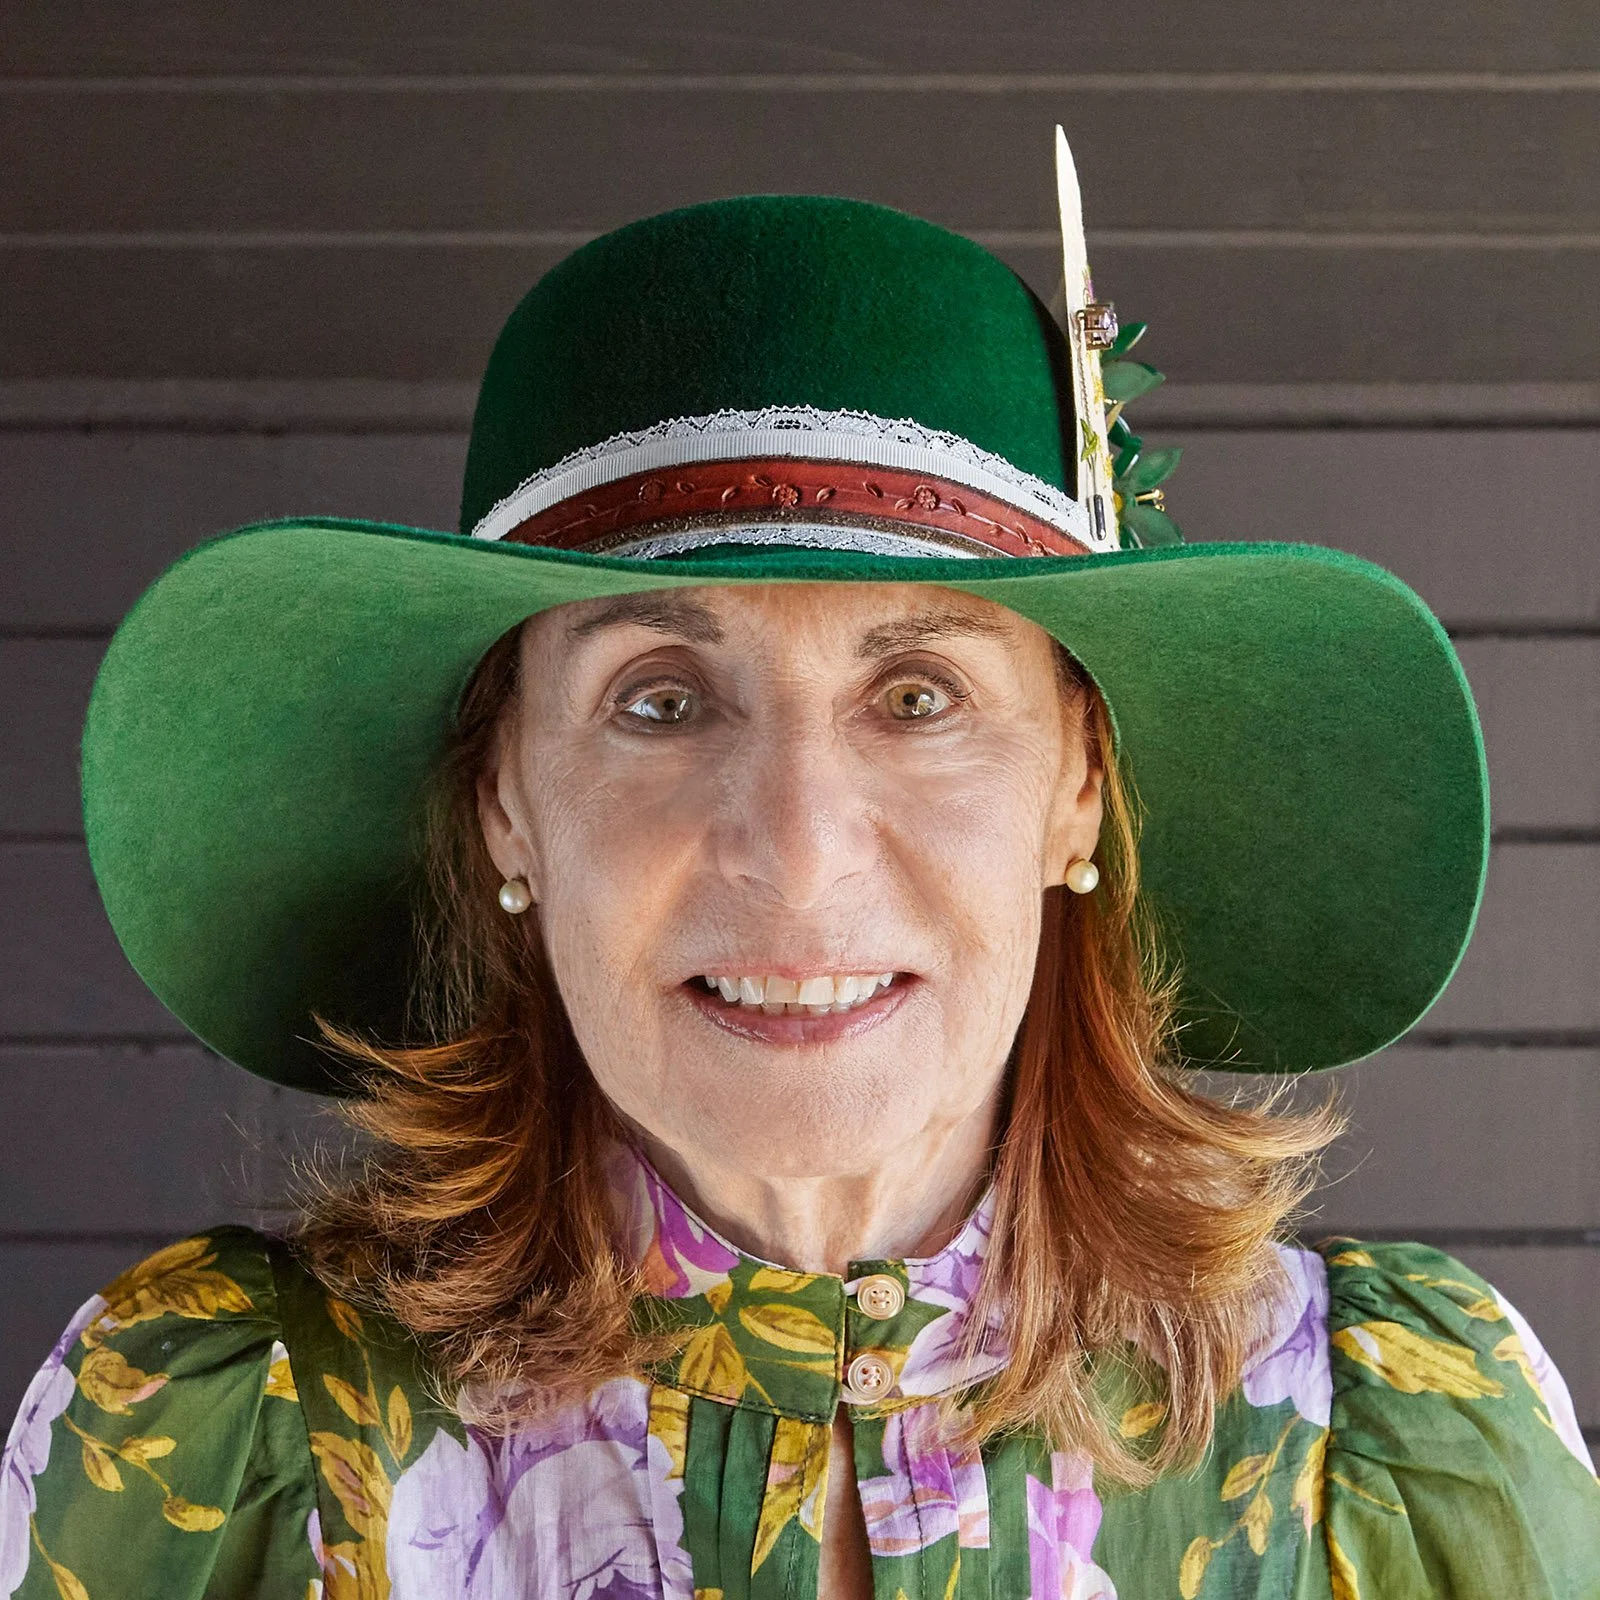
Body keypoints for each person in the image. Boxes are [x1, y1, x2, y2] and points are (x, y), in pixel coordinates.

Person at [3, 134, 1596, 1600]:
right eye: (660, 700)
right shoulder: (215, 1442)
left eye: (919, 698)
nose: (800, 847)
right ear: (504, 804)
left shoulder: (1381, 1451)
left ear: (1077, 790)